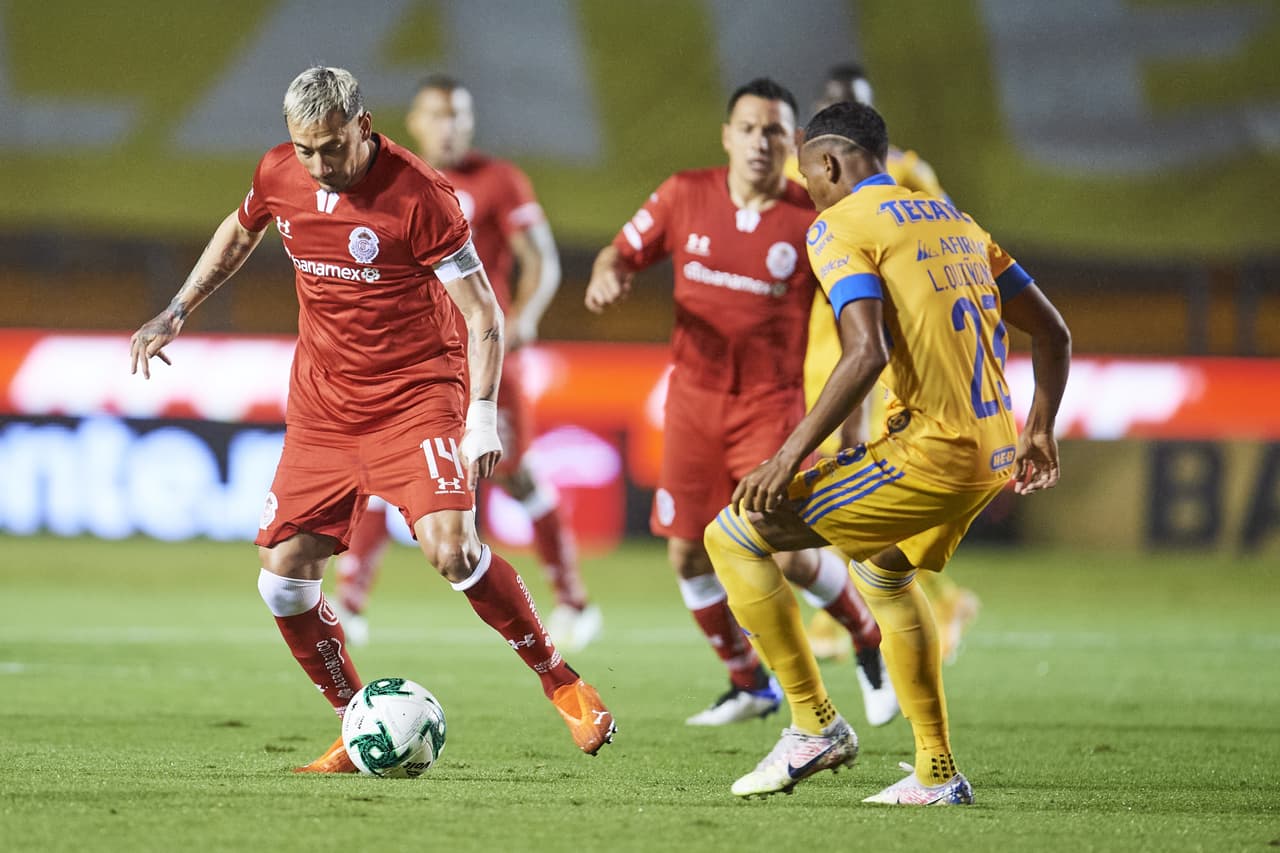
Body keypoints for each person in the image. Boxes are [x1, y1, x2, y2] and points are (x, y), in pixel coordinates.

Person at [128, 66, 615, 772]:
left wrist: (480, 416)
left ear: (363, 123)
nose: (320, 165)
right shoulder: (278, 172)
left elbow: (483, 312)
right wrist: (177, 310)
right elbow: (239, 232)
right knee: (283, 578)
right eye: (305, 149)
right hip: (325, 406)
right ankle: (358, 723)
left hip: (416, 397)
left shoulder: (423, 196)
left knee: (452, 548)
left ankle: (561, 679)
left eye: (331, 146)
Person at [704, 100, 1070, 801]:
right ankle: (936, 772)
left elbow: (865, 350)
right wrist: (1041, 428)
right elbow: (1052, 331)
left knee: (731, 535)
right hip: (995, 453)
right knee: (884, 577)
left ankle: (814, 724)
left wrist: (787, 457)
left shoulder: (838, 225)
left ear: (831, 163)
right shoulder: (954, 221)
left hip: (930, 453)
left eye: (806, 170)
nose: (804, 184)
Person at [585, 78, 895, 728]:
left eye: (775, 130)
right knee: (687, 552)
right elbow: (621, 250)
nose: (761, 140)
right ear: (727, 135)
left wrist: (856, 427)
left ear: (795, 143)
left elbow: (859, 334)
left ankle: (865, 636)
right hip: (693, 404)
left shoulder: (812, 220)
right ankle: (749, 682)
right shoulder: (683, 194)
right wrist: (609, 272)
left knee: (785, 552)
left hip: (770, 409)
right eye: (750, 128)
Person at [333, 74, 602, 653]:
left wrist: (525, 316)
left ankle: (576, 602)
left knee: (516, 471)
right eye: (437, 114)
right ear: (415, 120)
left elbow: (543, 261)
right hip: (415, 361)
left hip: (482, 354)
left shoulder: (500, 181)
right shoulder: (392, 179)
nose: (449, 126)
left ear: (470, 121)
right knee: (385, 476)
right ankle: (351, 603)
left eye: (458, 115)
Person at [795, 62, 980, 665]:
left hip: (879, 343)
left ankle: (928, 600)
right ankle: (853, 608)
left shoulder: (905, 173)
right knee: (838, 478)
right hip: (826, 338)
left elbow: (952, 240)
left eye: (853, 103)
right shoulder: (809, 173)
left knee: (863, 479)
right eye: (833, 101)